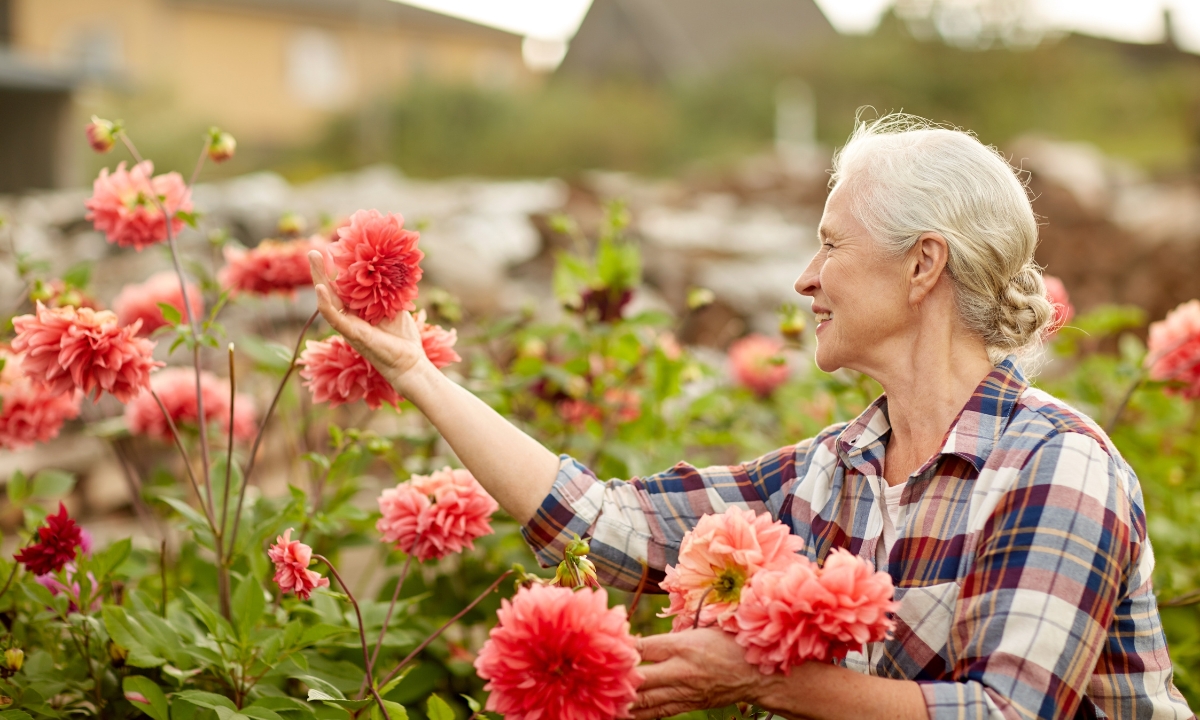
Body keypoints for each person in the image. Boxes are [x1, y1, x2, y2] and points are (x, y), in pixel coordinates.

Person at [307, 114, 1195, 720]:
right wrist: (413, 370)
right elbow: (610, 526)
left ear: (925, 266)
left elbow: (1006, 715)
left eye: (831, 244)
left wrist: (770, 678)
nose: (804, 278)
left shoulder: (1059, 465)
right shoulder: (834, 469)